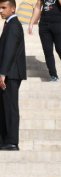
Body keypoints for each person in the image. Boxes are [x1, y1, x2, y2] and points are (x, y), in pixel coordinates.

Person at [0, 0, 24, 152]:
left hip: (10, 73)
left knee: (10, 108)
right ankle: (5, 140)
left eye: (3, 7)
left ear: (13, 9)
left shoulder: (14, 25)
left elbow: (9, 51)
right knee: (4, 107)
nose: (0, 11)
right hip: (9, 72)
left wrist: (3, 73)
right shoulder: (10, 24)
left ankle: (12, 141)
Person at [28, 0, 61, 82]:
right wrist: (31, 23)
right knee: (48, 51)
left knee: (60, 48)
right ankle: (53, 75)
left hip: (58, 23)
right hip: (44, 24)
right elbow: (38, 7)